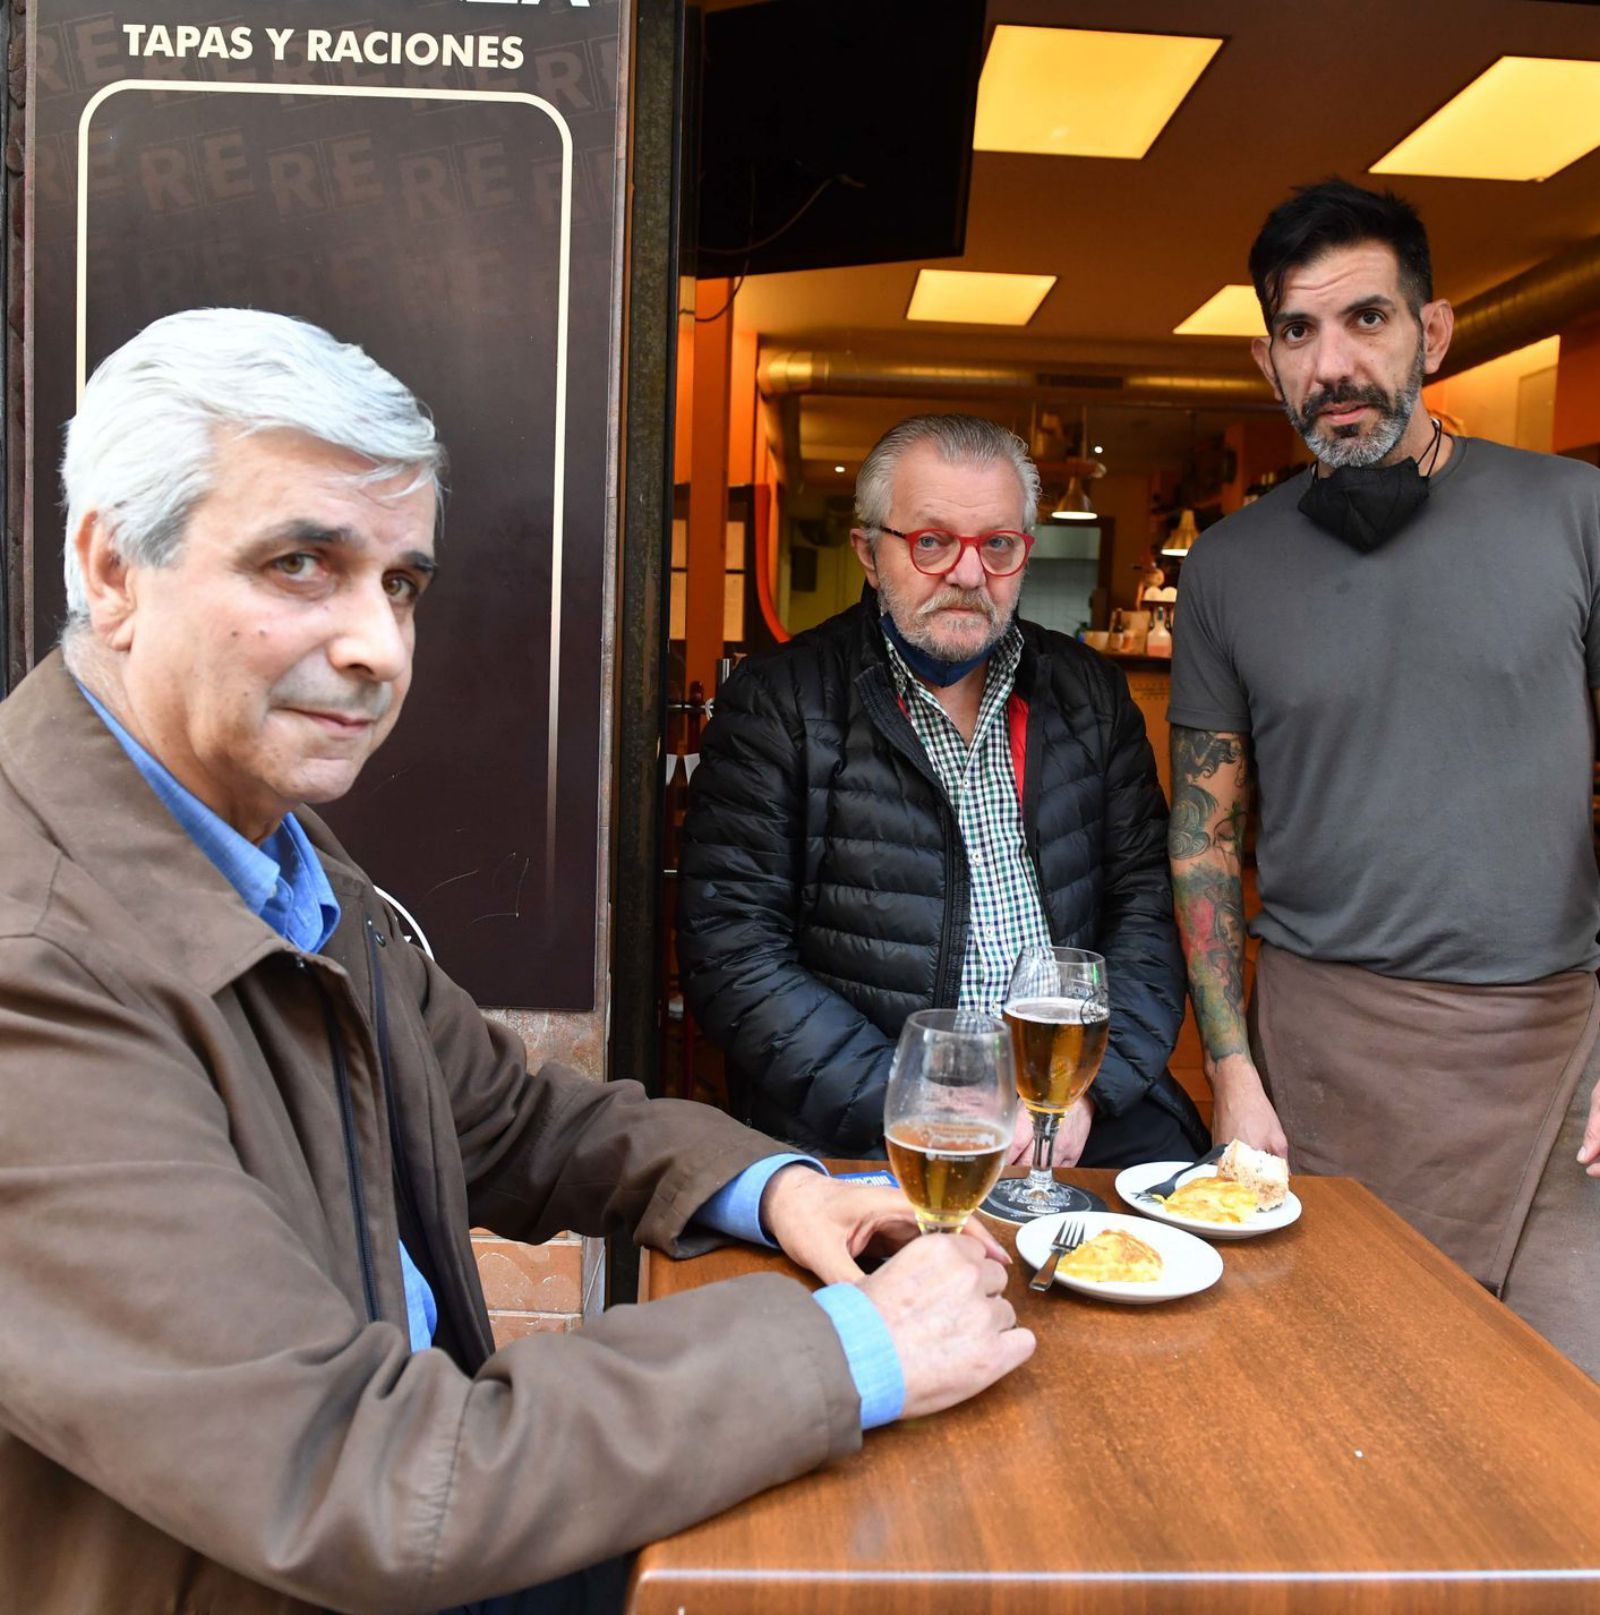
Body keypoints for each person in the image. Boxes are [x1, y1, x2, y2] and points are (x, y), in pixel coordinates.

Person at [0, 311, 1036, 1615]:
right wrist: (851, 1349)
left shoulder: (272, 852)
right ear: (112, 568)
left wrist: (775, 1190)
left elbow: (509, 1113)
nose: (380, 644)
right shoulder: (30, 959)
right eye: (302, 563)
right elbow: (351, 1471)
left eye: (401, 582)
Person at [1167, 178, 1600, 1376]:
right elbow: (1203, 839)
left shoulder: (1575, 511)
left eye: (1366, 319)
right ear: (1268, 361)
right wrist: (1231, 1072)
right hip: (1321, 1062)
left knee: (1568, 1439)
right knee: (1344, 1410)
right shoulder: (1227, 568)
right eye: (1299, 333)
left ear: (1434, 331)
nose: (1333, 363)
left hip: (1557, 1062)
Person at [678, 412, 1207, 1171]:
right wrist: (916, 1095)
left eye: (997, 544)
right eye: (931, 542)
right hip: (865, 1115)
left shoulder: (1090, 695)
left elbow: (1146, 912)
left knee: (1195, 1252)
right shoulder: (781, 702)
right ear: (869, 552)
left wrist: (1091, 1089)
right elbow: (732, 948)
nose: (967, 574)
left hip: (1081, 1104)